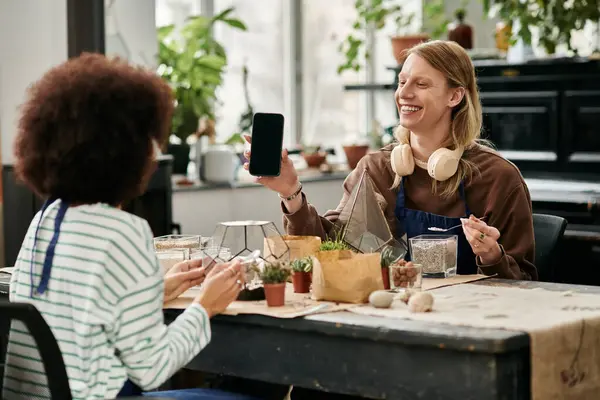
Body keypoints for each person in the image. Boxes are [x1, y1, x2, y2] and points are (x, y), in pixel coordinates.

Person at [3, 53, 255, 399]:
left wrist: (158, 290)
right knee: (250, 389)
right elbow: (151, 370)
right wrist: (205, 306)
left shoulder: (44, 220)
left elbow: (82, 312)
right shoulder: (124, 232)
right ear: (125, 152)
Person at [245, 40, 537, 281]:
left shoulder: (498, 178)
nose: (404, 93)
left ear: (455, 96)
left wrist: (492, 256)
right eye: (402, 81)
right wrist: (291, 192)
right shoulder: (376, 169)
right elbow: (330, 250)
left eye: (421, 84)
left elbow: (527, 282)